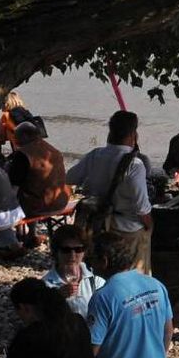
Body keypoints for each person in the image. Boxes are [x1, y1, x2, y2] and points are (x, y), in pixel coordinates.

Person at [67, 110, 153, 277]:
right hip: (127, 228)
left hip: (98, 224)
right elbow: (142, 207)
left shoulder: (95, 155)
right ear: (133, 135)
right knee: (133, 274)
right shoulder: (135, 164)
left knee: (103, 271)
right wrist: (150, 226)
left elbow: (70, 177)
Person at [6, 120, 70, 218]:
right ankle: (31, 231)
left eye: (17, 136)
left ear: (25, 136)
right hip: (61, 202)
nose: (15, 140)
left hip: (37, 207)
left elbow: (14, 184)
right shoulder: (53, 150)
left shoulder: (23, 154)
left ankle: (20, 231)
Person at [41, 224, 105, 318]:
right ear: (56, 251)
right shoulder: (46, 284)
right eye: (66, 250)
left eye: (78, 249)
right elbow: (42, 317)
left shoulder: (95, 278)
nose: (72, 255)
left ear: (85, 251)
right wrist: (57, 298)